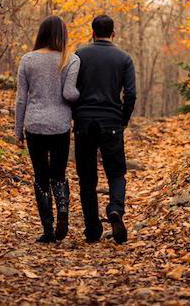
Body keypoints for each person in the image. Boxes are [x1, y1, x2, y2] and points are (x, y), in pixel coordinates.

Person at [14, 16, 80, 243]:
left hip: (34, 125)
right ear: (62, 34)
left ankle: (48, 229)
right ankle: (63, 210)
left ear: (41, 33)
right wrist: (82, 97)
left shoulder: (27, 59)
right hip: (60, 125)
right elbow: (69, 94)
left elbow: (21, 99)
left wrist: (18, 132)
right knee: (58, 174)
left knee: (41, 176)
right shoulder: (70, 59)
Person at [73, 15, 136, 244]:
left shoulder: (79, 55)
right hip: (111, 122)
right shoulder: (124, 58)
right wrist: (123, 119)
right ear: (113, 34)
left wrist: (75, 113)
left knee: (87, 178)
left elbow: (70, 89)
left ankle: (92, 229)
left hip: (84, 122)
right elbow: (131, 94)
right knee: (116, 173)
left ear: (92, 32)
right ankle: (115, 209)